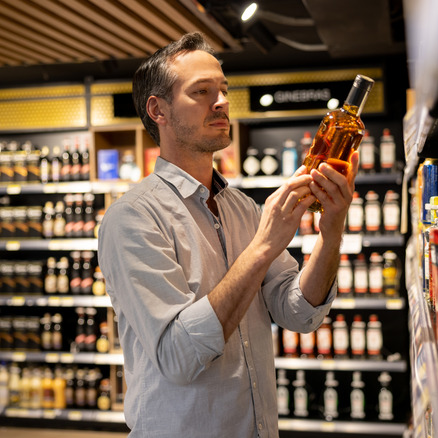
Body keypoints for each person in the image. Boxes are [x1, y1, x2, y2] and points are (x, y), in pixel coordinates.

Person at [97, 32, 358, 437]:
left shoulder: (243, 208)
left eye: (222, 89)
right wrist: (263, 247)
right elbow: (179, 355)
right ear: (158, 110)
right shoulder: (132, 218)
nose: (220, 102)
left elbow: (298, 311)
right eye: (201, 91)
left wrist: (332, 227)